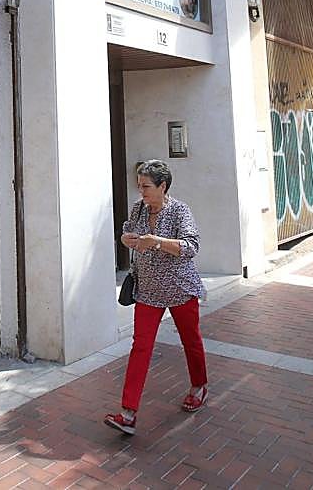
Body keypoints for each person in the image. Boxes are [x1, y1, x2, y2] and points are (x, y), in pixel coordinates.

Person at [104, 160, 208, 436]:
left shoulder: (179, 211)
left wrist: (158, 242)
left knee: (191, 340)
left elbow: (191, 246)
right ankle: (128, 413)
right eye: (139, 186)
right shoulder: (139, 208)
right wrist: (127, 239)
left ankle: (199, 386)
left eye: (146, 186)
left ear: (163, 186)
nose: (142, 192)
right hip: (148, 291)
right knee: (140, 347)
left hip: (180, 288)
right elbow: (128, 231)